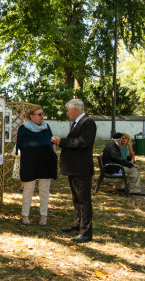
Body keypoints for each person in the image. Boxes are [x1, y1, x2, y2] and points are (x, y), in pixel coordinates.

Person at [51, 99, 96, 243]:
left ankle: (86, 232)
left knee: (84, 200)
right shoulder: (77, 123)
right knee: (77, 199)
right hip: (74, 167)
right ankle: (78, 224)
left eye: (68, 110)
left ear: (76, 110)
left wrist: (61, 141)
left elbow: (82, 142)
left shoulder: (87, 122)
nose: (67, 113)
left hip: (81, 168)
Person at [16, 106, 58, 225]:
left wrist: (54, 155)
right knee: (28, 189)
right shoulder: (23, 128)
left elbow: (51, 142)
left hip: (46, 162)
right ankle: (25, 215)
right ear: (31, 116)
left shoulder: (46, 127)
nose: (42, 117)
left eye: (42, 114)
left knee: (44, 190)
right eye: (39, 114)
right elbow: (20, 145)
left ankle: (43, 216)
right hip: (30, 163)